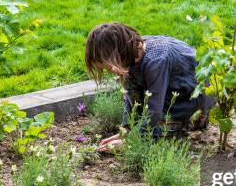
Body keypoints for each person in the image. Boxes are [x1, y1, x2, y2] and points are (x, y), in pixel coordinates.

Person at [85, 23, 213, 152]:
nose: (110, 71)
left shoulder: (156, 60)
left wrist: (130, 141)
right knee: (143, 121)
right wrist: (125, 131)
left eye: (109, 67)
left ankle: (194, 119)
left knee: (157, 134)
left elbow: (153, 110)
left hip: (189, 93)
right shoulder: (130, 54)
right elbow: (130, 96)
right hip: (165, 89)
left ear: (119, 53)